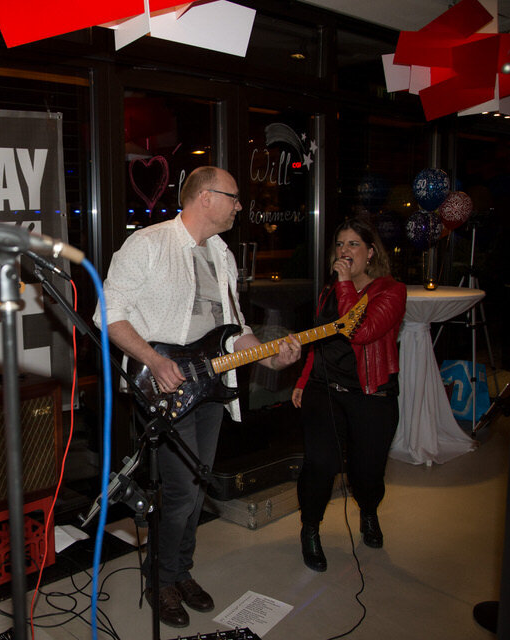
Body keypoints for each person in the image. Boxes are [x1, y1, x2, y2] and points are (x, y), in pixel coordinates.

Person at [94, 166, 301, 627]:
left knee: (197, 484)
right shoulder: (148, 244)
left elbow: (234, 329)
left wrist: (269, 357)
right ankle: (161, 578)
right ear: (205, 197)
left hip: (211, 387)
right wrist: (153, 360)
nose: (239, 206)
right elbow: (106, 312)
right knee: (181, 490)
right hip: (163, 386)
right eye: (233, 196)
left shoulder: (222, 254)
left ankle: (179, 571)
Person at [291, 216, 406, 572]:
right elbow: (320, 338)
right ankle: (310, 528)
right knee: (320, 464)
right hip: (324, 389)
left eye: (353, 244)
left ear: (371, 252)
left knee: (366, 474)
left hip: (370, 394)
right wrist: (303, 380)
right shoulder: (330, 292)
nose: (344, 251)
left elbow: (360, 330)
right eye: (340, 244)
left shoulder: (391, 291)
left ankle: (368, 511)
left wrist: (344, 285)